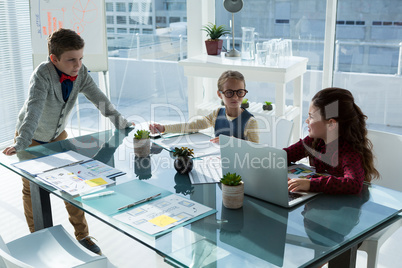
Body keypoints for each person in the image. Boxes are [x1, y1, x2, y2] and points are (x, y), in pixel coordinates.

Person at [2, 28, 134, 255]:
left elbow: (100, 99)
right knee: (31, 189)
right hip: (31, 137)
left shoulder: (80, 74)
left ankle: (83, 236)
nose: (78, 65)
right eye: (71, 60)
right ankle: (38, 237)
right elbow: (33, 110)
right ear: (54, 59)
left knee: (72, 184)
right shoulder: (42, 74)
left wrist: (122, 123)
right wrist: (22, 142)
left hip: (59, 136)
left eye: (81, 58)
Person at [285, 87, 379, 195]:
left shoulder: (349, 152)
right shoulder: (314, 141)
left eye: (311, 117)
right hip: (319, 202)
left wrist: (311, 184)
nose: (306, 121)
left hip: (345, 207)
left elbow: (353, 184)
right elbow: (286, 155)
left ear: (331, 124)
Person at [149, 70, 259, 143]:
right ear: (219, 94)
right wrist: (164, 128)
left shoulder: (250, 121)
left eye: (239, 92)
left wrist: (232, 143)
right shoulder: (217, 115)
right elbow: (192, 126)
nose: (235, 97)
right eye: (229, 92)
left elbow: (255, 153)